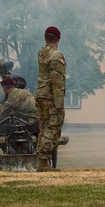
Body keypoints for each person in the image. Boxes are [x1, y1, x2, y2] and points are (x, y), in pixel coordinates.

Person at [35, 25, 66, 172]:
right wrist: (59, 104)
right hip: (50, 97)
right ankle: (43, 162)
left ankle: (41, 160)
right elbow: (57, 81)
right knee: (52, 127)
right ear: (58, 40)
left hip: (40, 95)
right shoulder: (56, 55)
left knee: (43, 128)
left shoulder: (42, 52)